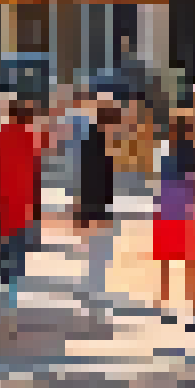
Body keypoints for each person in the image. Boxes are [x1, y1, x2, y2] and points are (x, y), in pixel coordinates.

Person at [0, 99, 43, 299]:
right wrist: (36, 203)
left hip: (1, 196)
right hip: (21, 198)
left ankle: (1, 275)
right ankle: (13, 281)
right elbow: (35, 174)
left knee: (1, 234)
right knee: (17, 238)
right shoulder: (30, 140)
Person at [153, 112, 195, 319]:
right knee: (192, 263)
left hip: (167, 212)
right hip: (188, 213)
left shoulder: (165, 154)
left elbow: (161, 184)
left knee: (166, 262)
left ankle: (164, 302)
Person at [74, 101, 119, 316]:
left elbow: (84, 176)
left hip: (93, 204)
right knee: (99, 252)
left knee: (96, 252)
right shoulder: (99, 144)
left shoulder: (92, 142)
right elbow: (96, 179)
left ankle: (92, 292)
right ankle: (94, 295)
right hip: (96, 205)